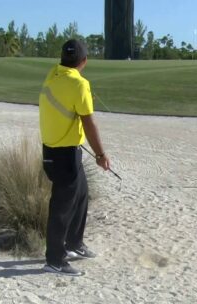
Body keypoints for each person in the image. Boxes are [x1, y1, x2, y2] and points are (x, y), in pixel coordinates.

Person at [39, 39, 110, 276]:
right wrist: (100, 154)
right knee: (61, 207)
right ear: (84, 61)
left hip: (56, 152)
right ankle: (54, 260)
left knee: (81, 194)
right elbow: (89, 123)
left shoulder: (53, 74)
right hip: (64, 155)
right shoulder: (80, 84)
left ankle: (74, 244)